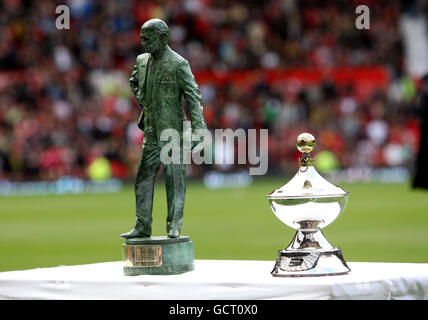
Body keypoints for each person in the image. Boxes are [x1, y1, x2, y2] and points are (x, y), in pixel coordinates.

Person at [120, 19, 207, 239]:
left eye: (147, 37)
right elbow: (133, 81)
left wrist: (198, 127)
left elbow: (193, 96)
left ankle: (174, 224)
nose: (143, 42)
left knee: (174, 178)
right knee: (143, 177)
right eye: (142, 37)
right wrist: (142, 99)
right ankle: (142, 225)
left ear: (162, 37)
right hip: (151, 129)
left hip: (173, 131)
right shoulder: (141, 61)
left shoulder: (179, 63)